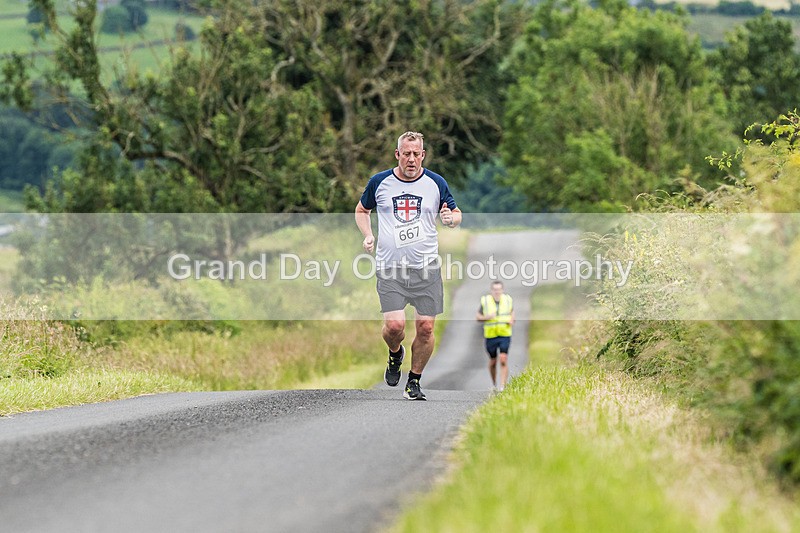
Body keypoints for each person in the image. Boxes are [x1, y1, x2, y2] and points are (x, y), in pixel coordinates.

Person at [355, 131, 462, 400]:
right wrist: (368, 235)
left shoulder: (436, 183)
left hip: (426, 268)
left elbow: (455, 213)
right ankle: (395, 354)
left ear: (423, 155)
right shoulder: (380, 182)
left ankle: (414, 381)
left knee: (426, 327)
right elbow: (361, 210)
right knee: (395, 327)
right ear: (397, 155)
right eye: (406, 154)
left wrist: (450, 219)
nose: (411, 159)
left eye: (416, 154)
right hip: (390, 268)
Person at [476, 280, 514, 391]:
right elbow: (478, 317)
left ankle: (502, 386)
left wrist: (512, 320)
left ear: (502, 290)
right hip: (491, 335)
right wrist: (487, 317)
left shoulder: (507, 300)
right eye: (495, 290)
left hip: (504, 334)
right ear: (491, 290)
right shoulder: (485, 301)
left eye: (499, 289)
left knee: (503, 359)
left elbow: (512, 312)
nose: (497, 292)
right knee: (493, 361)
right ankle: (494, 383)